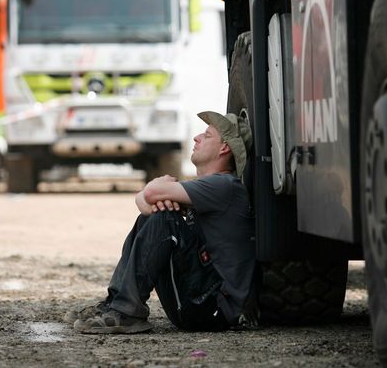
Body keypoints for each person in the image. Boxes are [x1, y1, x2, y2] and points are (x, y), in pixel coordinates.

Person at [65, 111, 256, 334]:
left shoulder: (225, 186)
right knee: (152, 218)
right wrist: (150, 201)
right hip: (198, 303)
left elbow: (151, 193)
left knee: (165, 219)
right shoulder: (209, 189)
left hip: (215, 309)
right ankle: (117, 304)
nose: (196, 138)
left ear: (225, 148)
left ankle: (127, 311)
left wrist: (153, 192)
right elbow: (145, 200)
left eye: (207, 135)